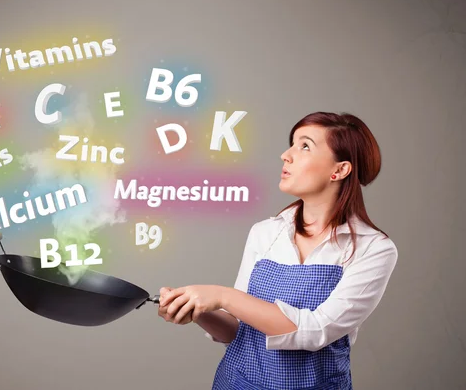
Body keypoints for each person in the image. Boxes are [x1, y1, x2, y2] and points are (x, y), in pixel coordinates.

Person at [158, 112, 399, 390]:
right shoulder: (266, 232)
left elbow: (316, 330)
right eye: (291, 144)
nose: (286, 155)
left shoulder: (374, 249)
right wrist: (198, 309)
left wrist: (222, 295)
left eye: (305, 146)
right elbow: (239, 330)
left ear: (340, 170)